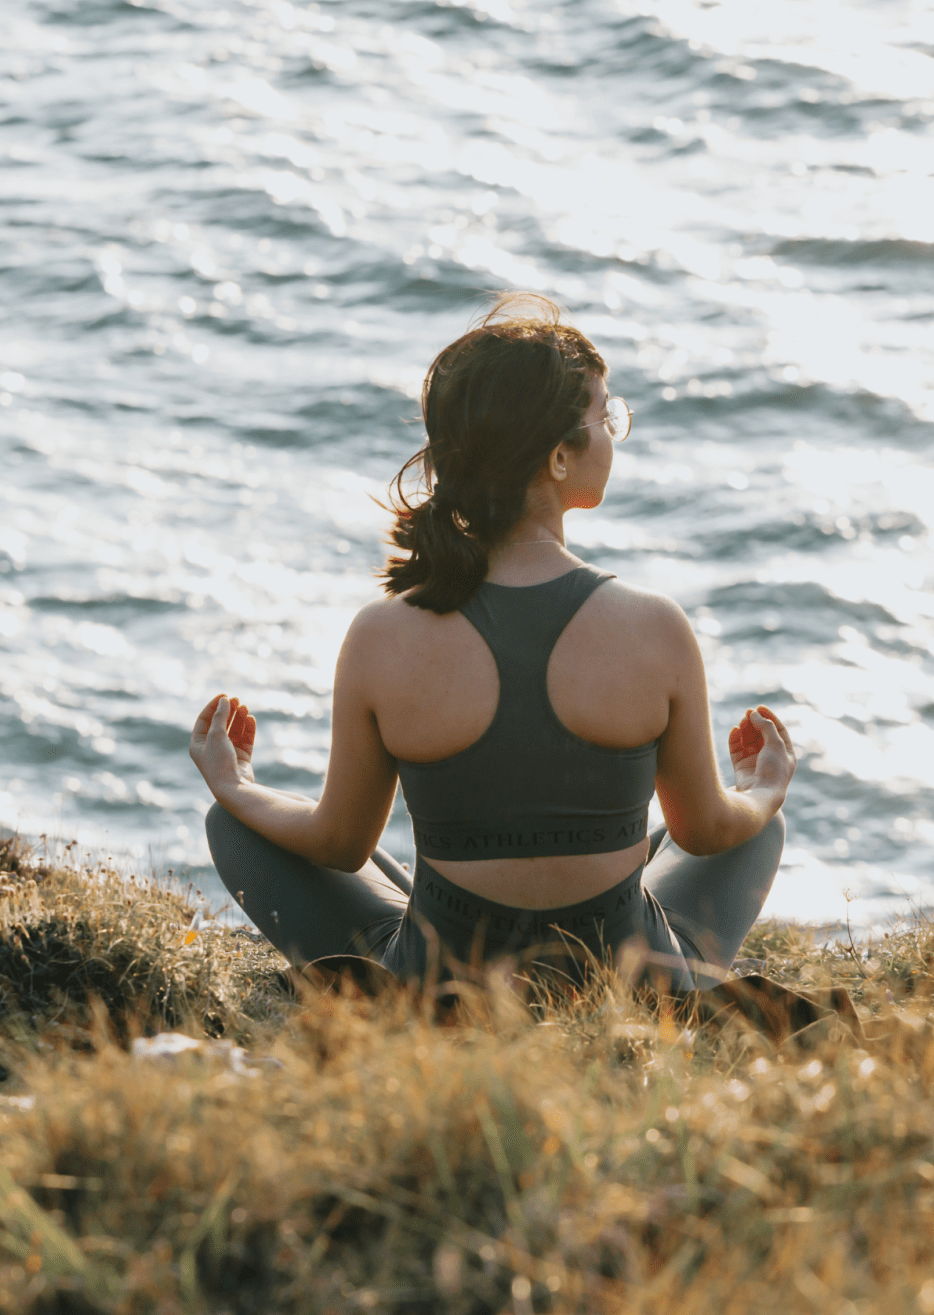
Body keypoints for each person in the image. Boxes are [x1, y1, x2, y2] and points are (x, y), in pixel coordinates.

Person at [192, 293, 791, 993]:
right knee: (759, 831)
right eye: (606, 418)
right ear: (560, 458)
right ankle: (675, 974)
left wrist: (234, 785)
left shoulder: (382, 634)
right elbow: (708, 831)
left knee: (237, 825)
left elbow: (339, 842)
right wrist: (763, 789)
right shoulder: (654, 625)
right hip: (625, 975)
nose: (614, 434)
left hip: (440, 976)